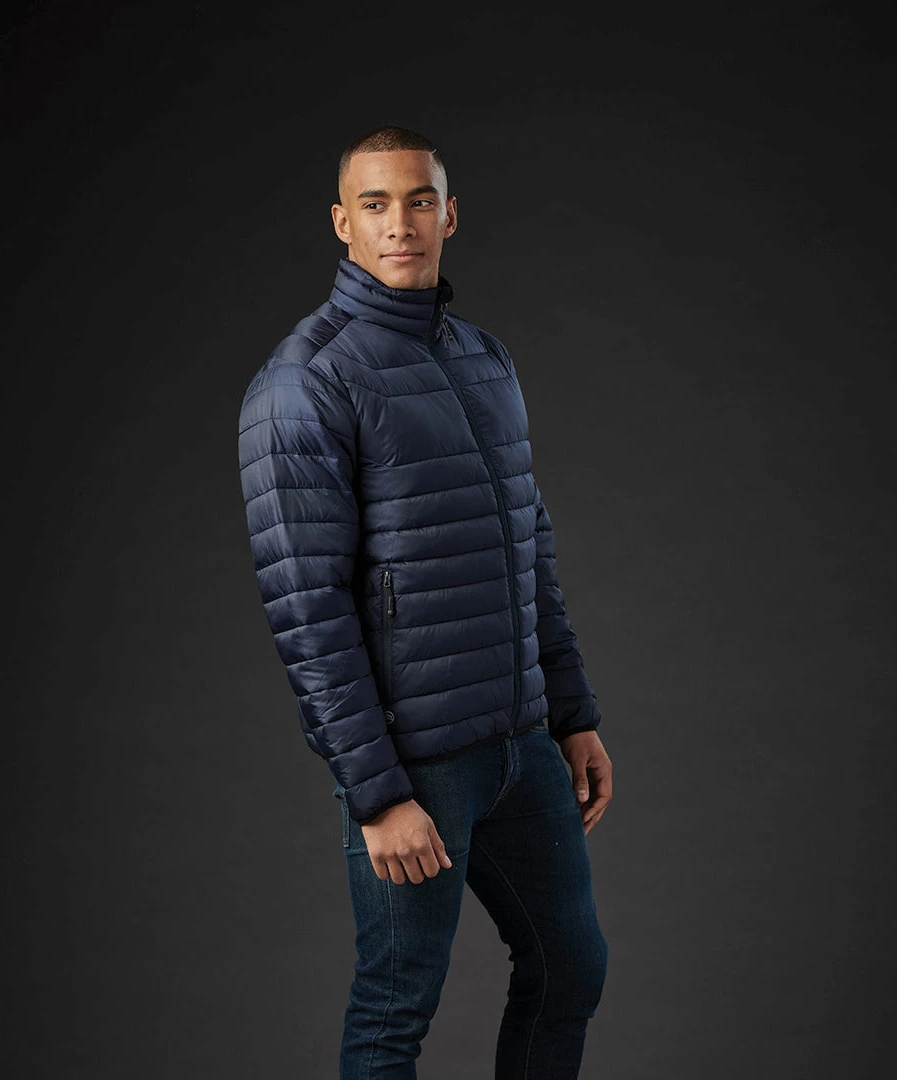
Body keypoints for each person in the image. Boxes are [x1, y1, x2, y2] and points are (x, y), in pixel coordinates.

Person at [238, 125, 612, 1079]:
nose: (398, 223)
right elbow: (307, 608)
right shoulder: (304, 381)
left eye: (417, 200)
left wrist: (571, 715)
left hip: (521, 744)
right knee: (395, 1010)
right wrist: (378, 793)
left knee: (570, 968)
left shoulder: (484, 357)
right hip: (417, 765)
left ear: (449, 215)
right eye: (375, 204)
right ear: (342, 223)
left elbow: (527, 546)